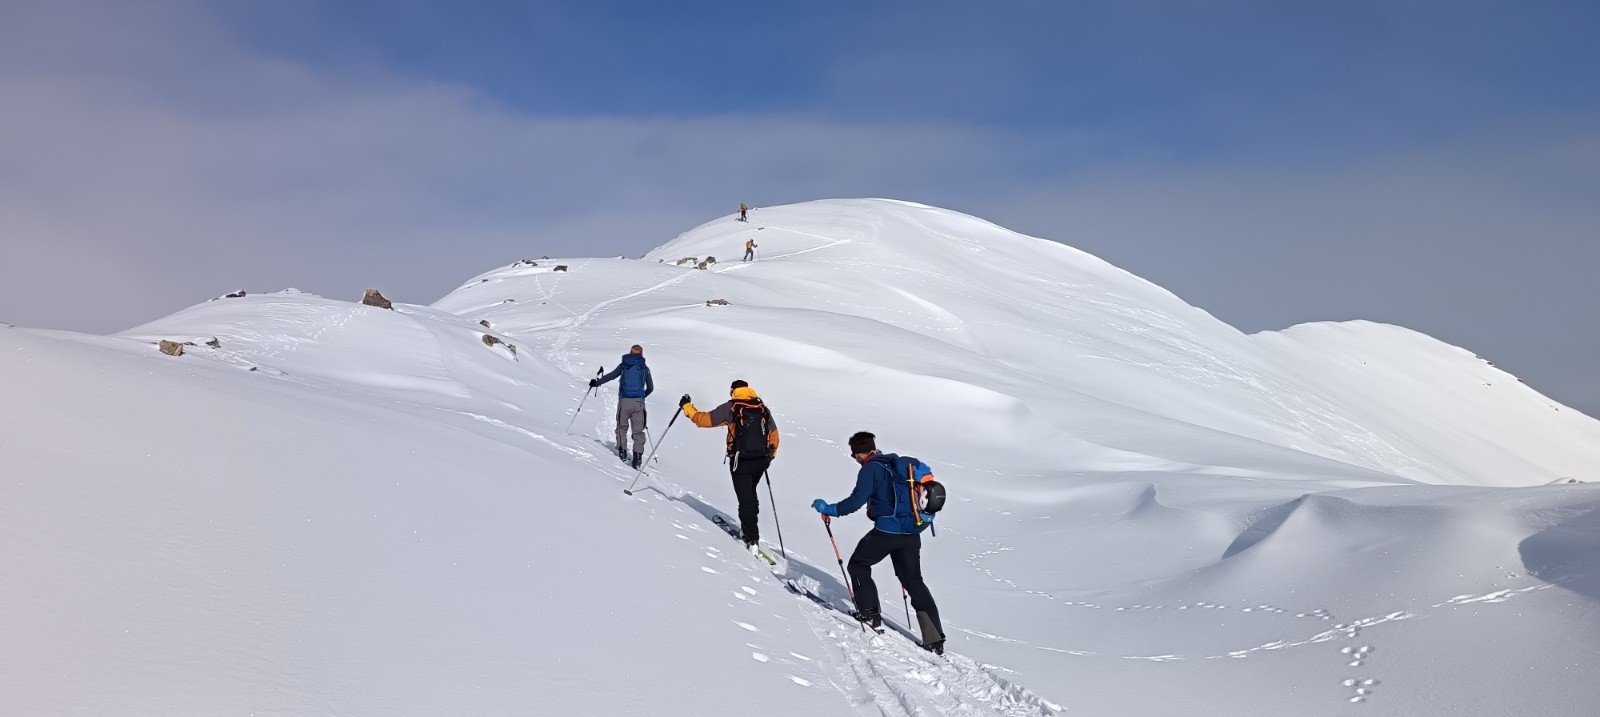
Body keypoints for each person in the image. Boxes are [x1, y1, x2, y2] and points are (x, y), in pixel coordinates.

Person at [811, 431, 945, 654]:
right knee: (914, 581)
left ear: (862, 453)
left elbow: (855, 502)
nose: (855, 459)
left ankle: (869, 614)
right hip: (912, 533)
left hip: (886, 532)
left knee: (858, 564)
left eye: (855, 455)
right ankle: (935, 638)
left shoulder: (871, 469)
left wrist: (829, 509)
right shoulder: (897, 465)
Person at [678, 380, 778, 551]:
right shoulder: (761, 408)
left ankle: (751, 538)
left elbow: (703, 420)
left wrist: (687, 407)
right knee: (751, 495)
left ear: (733, 391)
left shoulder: (731, 407)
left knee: (745, 499)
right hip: (761, 461)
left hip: (740, 461)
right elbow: (774, 436)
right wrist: (769, 456)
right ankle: (750, 531)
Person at [590, 344, 654, 468]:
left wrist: (597, 383)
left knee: (621, 427)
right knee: (638, 432)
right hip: (638, 403)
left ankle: (623, 452)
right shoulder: (644, 368)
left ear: (630, 352)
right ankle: (637, 459)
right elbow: (651, 388)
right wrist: (641, 397)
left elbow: (611, 376)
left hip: (624, 401)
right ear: (641, 354)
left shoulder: (624, 366)